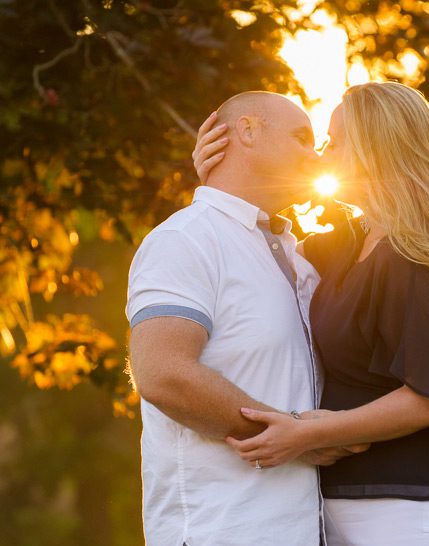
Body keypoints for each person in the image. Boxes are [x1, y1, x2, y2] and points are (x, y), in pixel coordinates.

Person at [193, 82, 429, 545]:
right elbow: (248, 250)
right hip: (332, 503)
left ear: (377, 147)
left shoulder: (418, 260)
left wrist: (305, 434)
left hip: (405, 504)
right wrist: (221, 177)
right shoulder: (343, 248)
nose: (321, 156)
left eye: (335, 142)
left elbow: (427, 399)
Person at [127, 91, 365, 546]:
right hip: (219, 530)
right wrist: (295, 436)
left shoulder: (300, 259)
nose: (314, 155)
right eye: (301, 138)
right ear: (248, 131)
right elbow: (162, 374)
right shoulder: (185, 239)